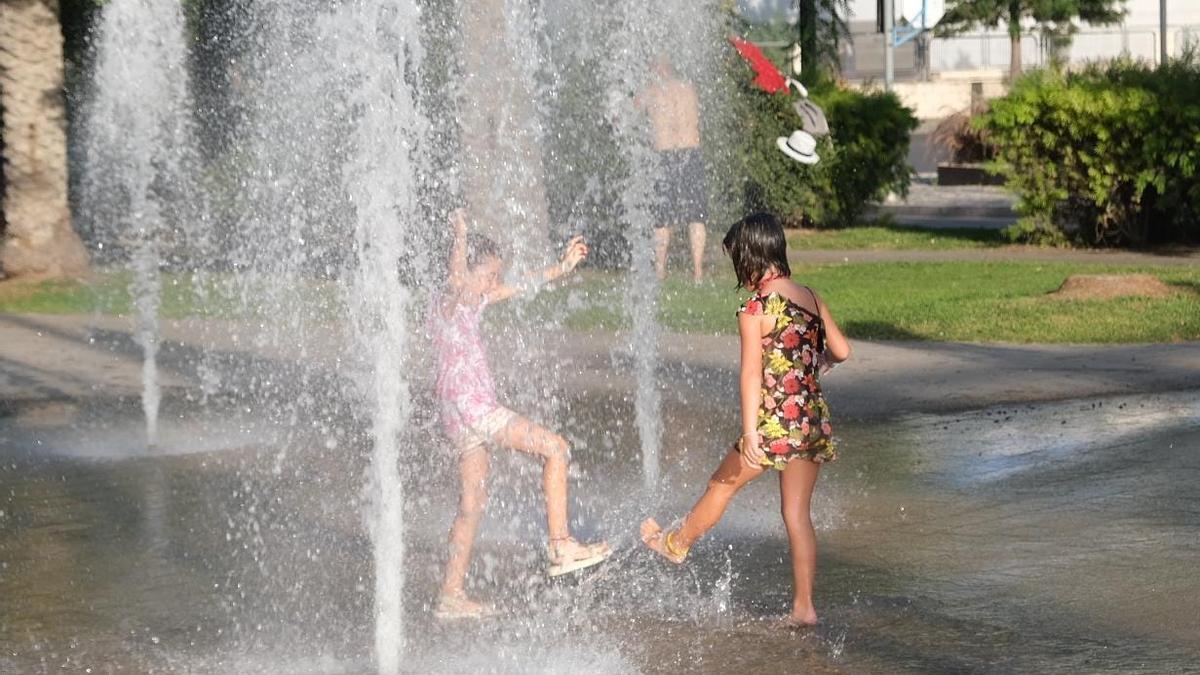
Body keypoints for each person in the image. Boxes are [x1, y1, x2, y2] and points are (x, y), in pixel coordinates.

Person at [639, 212, 851, 626]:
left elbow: (751, 373)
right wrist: (817, 363)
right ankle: (804, 608)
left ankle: (676, 544)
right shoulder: (810, 296)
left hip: (773, 423)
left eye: (737, 259)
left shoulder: (756, 308)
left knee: (721, 485)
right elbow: (842, 351)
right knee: (797, 515)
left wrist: (751, 432)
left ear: (750, 257)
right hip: (809, 419)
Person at [432, 208, 612, 619]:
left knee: (472, 503)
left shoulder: (471, 301)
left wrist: (561, 268)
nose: (493, 283)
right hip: (475, 409)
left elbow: (519, 285)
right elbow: (458, 280)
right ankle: (561, 545)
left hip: (458, 416)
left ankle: (450, 595)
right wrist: (461, 234)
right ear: (467, 270)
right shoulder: (451, 299)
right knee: (555, 448)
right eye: (488, 275)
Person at [638, 56, 708, 282]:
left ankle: (660, 270)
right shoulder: (690, 89)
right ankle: (698, 272)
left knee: (661, 217)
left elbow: (627, 112)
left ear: (659, 68)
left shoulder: (652, 91)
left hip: (664, 155)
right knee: (696, 215)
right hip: (691, 152)